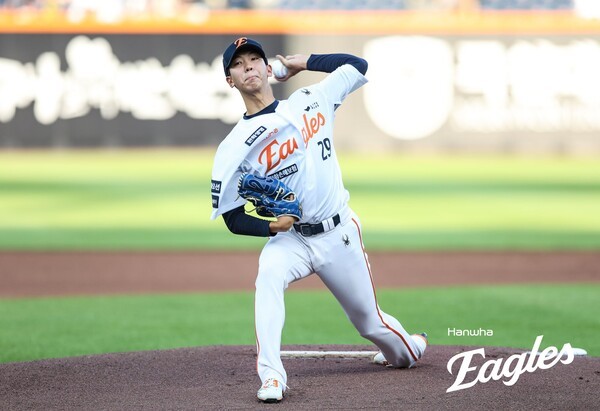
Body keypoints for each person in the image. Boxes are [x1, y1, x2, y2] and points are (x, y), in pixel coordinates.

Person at [210, 37, 428, 403]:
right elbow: (232, 216)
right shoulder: (233, 147)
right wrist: (270, 227)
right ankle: (272, 377)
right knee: (268, 274)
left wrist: (305, 62)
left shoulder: (312, 99)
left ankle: (410, 345)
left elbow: (357, 65)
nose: (248, 66)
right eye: (238, 63)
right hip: (291, 238)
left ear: (268, 68)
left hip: (338, 232)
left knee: (371, 325)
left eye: (254, 59)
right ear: (230, 80)